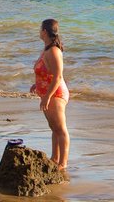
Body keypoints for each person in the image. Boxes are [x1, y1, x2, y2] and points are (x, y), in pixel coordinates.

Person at [33, 19, 69, 170]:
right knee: (54, 127)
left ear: (45, 32)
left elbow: (58, 76)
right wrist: (37, 84)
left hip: (56, 94)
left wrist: (47, 96)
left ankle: (63, 163)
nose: (39, 31)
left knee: (60, 129)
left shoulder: (54, 51)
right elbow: (47, 72)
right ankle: (55, 158)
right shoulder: (47, 48)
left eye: (40, 29)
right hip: (48, 93)